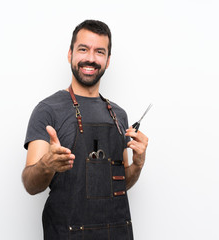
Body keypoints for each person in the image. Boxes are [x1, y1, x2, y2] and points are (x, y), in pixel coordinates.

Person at [22, 19, 148, 239]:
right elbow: (30, 184)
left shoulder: (118, 115)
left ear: (108, 61)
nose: (91, 58)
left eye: (99, 51)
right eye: (83, 49)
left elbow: (119, 183)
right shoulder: (47, 111)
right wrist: (46, 164)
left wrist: (137, 165)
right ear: (70, 54)